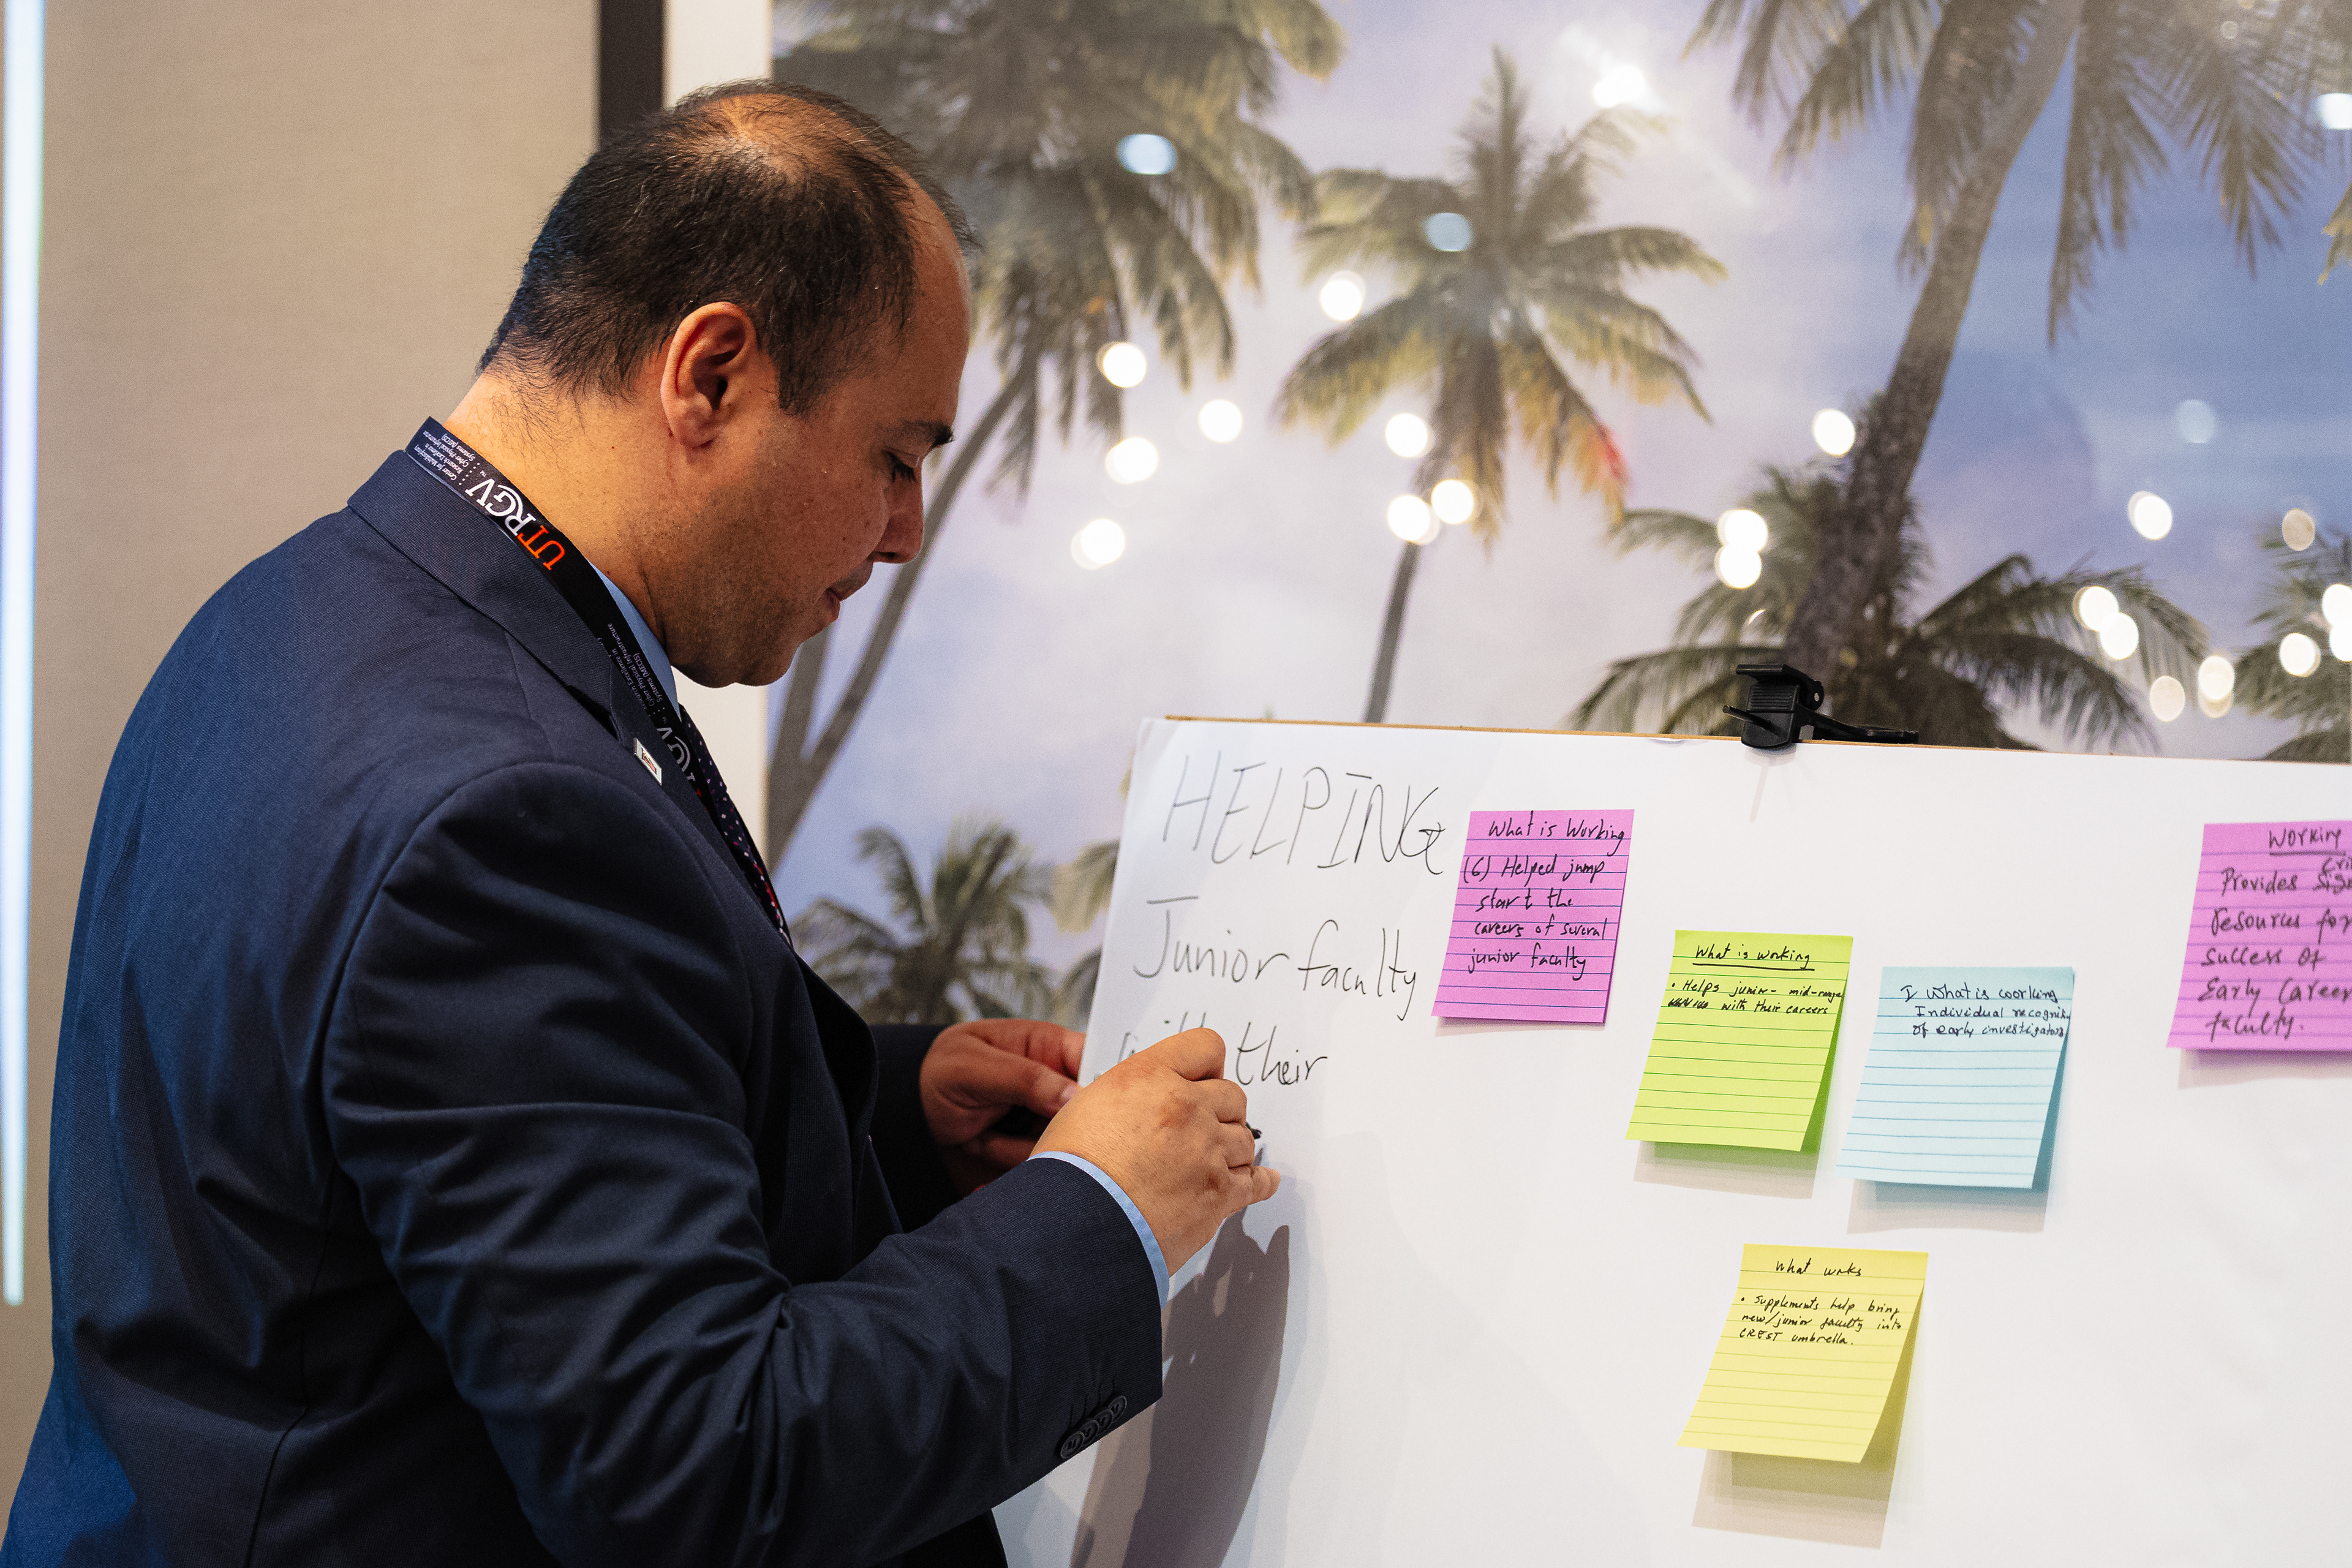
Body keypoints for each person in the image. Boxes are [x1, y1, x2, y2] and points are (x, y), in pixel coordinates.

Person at [2, 81, 1278, 1567]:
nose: (905, 532)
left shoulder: (292, 616)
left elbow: (431, 1137)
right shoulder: (504, 812)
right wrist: (1099, 1210)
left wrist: (882, 1102)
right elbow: (699, 1470)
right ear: (712, 375)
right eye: (896, 454)